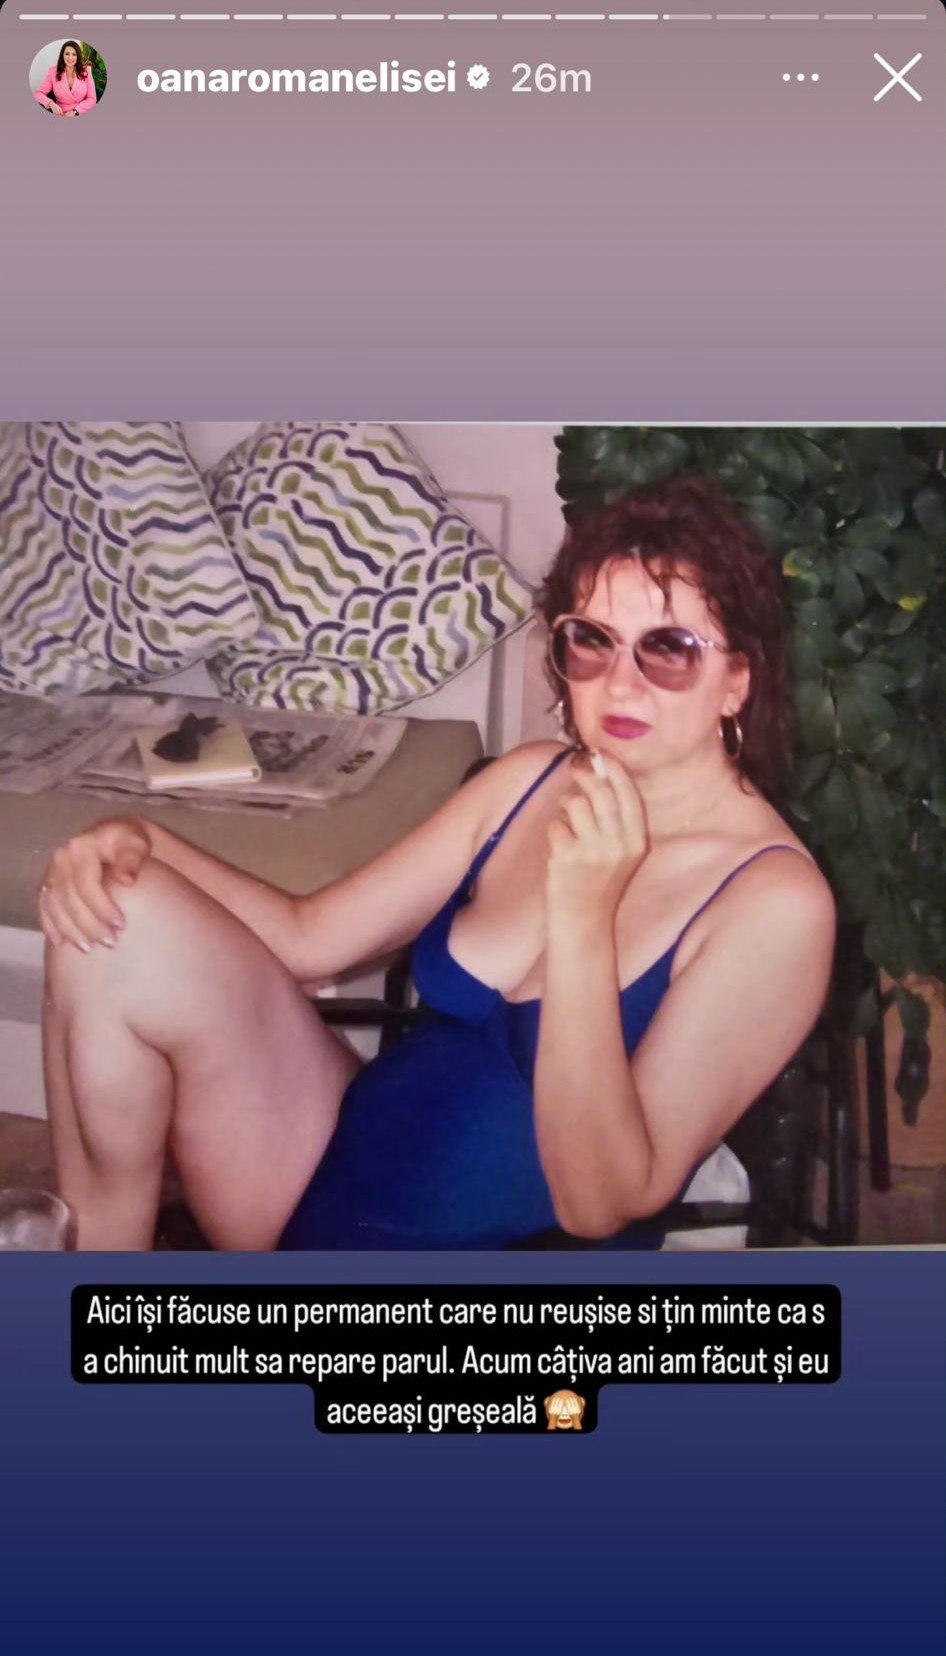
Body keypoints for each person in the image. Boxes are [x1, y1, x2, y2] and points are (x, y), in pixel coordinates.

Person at [38, 477, 836, 1251]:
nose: (621, 684)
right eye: (592, 641)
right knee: (109, 914)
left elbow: (600, 1206)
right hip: (325, 1166)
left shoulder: (775, 904)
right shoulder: (529, 781)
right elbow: (309, 937)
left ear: (737, 681)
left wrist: (582, 916)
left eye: (668, 650)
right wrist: (138, 840)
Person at [34, 41, 97, 116]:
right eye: (67, 54)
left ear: (78, 56)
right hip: (61, 114)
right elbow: (38, 93)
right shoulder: (53, 72)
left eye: (74, 54)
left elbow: (92, 99)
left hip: (81, 111)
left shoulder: (86, 71)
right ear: (62, 55)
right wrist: (51, 103)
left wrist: (75, 111)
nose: (70, 58)